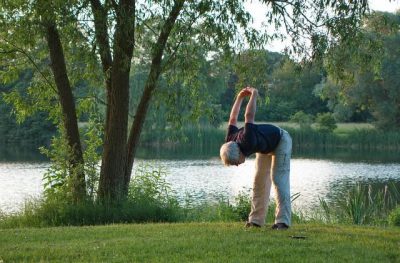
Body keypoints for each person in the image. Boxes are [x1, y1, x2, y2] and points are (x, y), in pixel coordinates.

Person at [220, 87, 292, 230]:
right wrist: (239, 97)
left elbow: (249, 116)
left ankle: (282, 222)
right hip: (264, 147)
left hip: (281, 140)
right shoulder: (230, 140)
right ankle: (255, 221)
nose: (237, 165)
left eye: (235, 163)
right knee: (259, 182)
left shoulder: (247, 140)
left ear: (239, 153)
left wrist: (253, 94)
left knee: (278, 178)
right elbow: (233, 118)